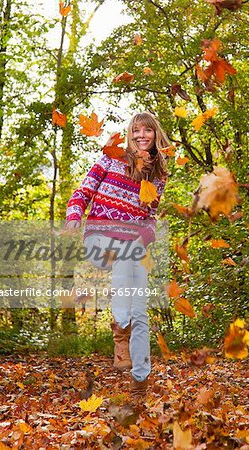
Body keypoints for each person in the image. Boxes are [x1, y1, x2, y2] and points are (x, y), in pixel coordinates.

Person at [64, 112, 170, 400]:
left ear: (155, 134)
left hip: (132, 244)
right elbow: (83, 190)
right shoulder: (112, 157)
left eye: (147, 131)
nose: (141, 136)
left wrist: (143, 237)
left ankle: (139, 382)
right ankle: (120, 329)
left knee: (140, 311)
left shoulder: (159, 173)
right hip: (100, 238)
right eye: (136, 131)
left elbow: (151, 216)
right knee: (125, 257)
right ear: (129, 133)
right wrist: (74, 215)